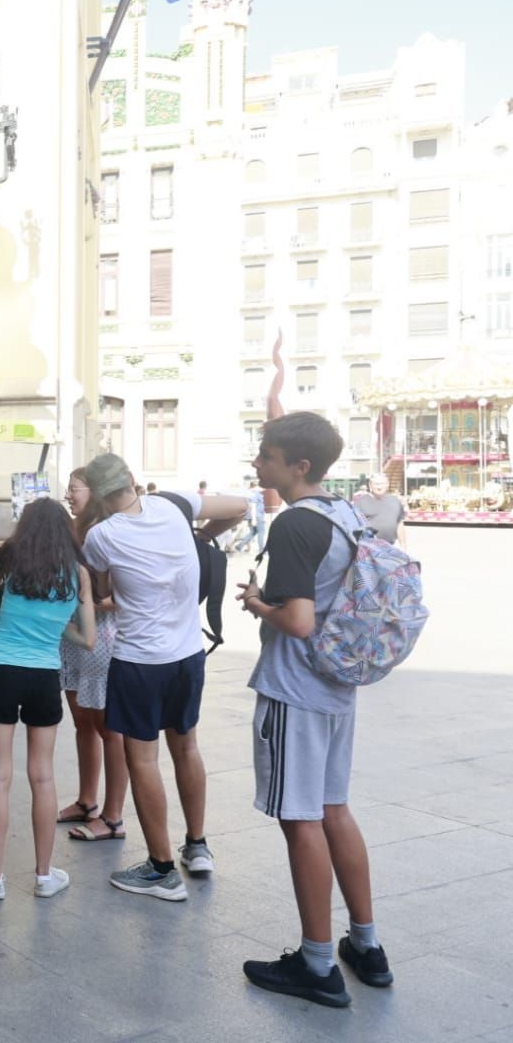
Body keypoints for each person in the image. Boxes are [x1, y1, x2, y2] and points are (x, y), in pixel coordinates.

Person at [238, 412, 388, 1007]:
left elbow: (298, 620)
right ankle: (367, 946)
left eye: (266, 455)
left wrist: (257, 603)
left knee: (300, 818)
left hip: (295, 689)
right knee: (333, 809)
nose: (258, 463)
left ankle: (317, 963)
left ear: (298, 466)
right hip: (335, 687)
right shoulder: (345, 512)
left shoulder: (295, 523)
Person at [80, 454, 246, 900]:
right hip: (189, 654)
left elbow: (101, 590)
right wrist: (200, 540)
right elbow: (241, 507)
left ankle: (160, 869)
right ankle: (197, 845)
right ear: (134, 480)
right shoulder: (174, 505)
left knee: (144, 759)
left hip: (139, 659)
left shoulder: (101, 535)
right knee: (186, 745)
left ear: (96, 496)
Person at [0, 499, 95, 900]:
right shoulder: (78, 573)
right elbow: (89, 638)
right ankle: (45, 876)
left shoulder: (10, 558)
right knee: (42, 777)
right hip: (44, 676)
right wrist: (52, 628)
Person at [58, 467, 128, 843]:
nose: (68, 495)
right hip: (70, 634)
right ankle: (87, 801)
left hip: (101, 635)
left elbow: (126, 591)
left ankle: (113, 816)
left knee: (109, 727)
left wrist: (95, 602)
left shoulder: (111, 532)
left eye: (74, 489)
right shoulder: (71, 530)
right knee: (82, 721)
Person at [352, 471, 407, 549]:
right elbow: (353, 527)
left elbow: (400, 525)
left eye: (382, 484)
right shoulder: (360, 502)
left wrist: (403, 546)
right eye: (376, 484)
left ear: (387, 484)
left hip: (390, 547)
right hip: (368, 548)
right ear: (370, 485)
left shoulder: (395, 501)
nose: (379, 487)